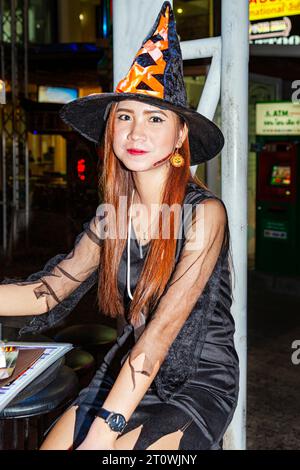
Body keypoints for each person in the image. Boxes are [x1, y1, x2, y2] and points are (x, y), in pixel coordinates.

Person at [0, 1, 239, 450]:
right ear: (111, 129)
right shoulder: (112, 216)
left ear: (180, 136)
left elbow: (162, 333)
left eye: (155, 118)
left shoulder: (204, 214)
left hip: (195, 380)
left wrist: (103, 430)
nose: (136, 133)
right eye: (125, 116)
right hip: (125, 364)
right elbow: (46, 291)